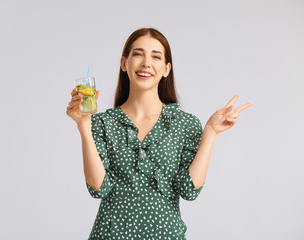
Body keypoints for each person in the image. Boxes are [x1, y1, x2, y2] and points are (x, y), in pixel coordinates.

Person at [66, 27, 251, 239]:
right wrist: (83, 126)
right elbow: (98, 188)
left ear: (166, 68)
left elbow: (190, 190)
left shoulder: (185, 124)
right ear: (123, 63)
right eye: (138, 54)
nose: (146, 63)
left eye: (156, 56)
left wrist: (210, 132)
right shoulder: (102, 123)